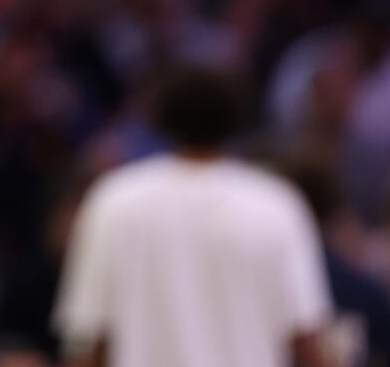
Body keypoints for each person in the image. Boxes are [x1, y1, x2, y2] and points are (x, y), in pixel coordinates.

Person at [53, 65, 335, 367]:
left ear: (161, 117)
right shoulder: (276, 204)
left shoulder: (114, 200)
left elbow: (91, 340)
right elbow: (305, 338)